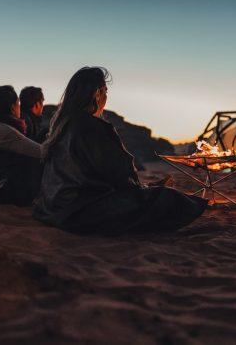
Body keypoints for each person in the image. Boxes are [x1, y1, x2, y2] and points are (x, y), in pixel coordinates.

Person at [33, 67, 207, 235]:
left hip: (53, 207)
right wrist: (142, 190)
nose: (106, 97)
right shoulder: (94, 127)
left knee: (154, 193)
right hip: (81, 212)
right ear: (96, 94)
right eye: (105, 91)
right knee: (168, 198)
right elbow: (119, 174)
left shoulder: (61, 125)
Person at [0, 85, 43, 206]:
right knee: (37, 161)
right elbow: (40, 152)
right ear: (12, 107)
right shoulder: (2, 130)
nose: (20, 108)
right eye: (18, 104)